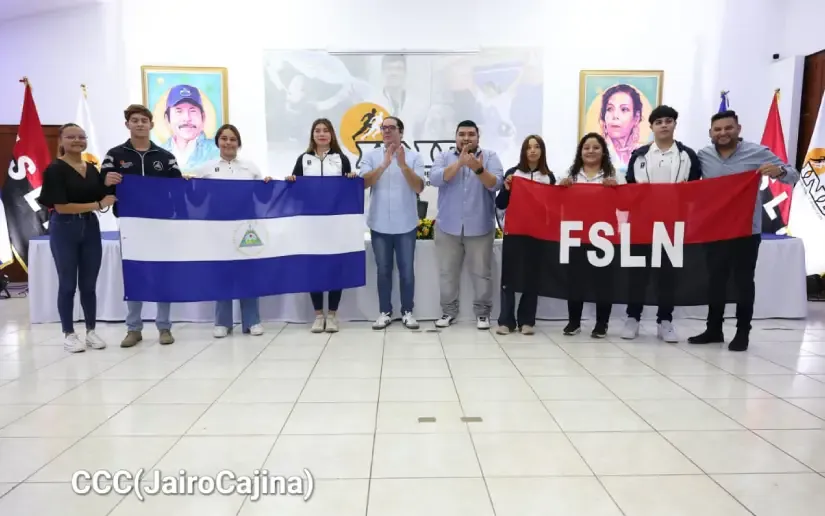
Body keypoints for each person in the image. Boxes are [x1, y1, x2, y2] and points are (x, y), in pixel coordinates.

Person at [689, 110, 799, 351]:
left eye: (728, 128)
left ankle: (742, 333)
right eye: (718, 129)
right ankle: (713, 329)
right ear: (710, 133)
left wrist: (779, 172)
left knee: (743, 282)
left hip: (746, 230)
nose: (723, 133)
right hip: (714, 229)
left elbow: (793, 176)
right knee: (715, 280)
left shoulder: (757, 152)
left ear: (738, 129)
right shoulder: (703, 156)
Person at [101, 104, 182, 348]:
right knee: (134, 274)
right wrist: (105, 181)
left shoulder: (166, 157)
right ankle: (133, 329)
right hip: (130, 226)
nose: (139, 124)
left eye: (143, 120)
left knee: (162, 275)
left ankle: (164, 327)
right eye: (134, 120)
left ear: (151, 125)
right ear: (127, 124)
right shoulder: (114, 155)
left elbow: (178, 190)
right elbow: (100, 188)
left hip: (160, 225)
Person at [622, 105, 702, 343]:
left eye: (668, 121)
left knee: (668, 275)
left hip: (673, 224)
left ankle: (664, 321)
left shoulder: (687, 155)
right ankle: (632, 318)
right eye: (659, 122)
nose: (664, 125)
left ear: (675, 124)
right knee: (637, 273)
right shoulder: (639, 155)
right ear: (652, 127)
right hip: (642, 224)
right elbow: (629, 189)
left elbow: (696, 190)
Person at [36, 124, 116, 353]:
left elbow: (102, 194)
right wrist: (98, 204)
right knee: (68, 284)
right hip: (65, 228)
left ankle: (91, 331)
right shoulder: (54, 169)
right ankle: (69, 334)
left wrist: (107, 184)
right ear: (61, 140)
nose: (77, 140)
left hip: (90, 227)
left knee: (89, 285)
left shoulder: (91, 168)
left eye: (81, 137)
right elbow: (61, 207)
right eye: (71, 137)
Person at [188, 124, 271, 338]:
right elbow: (196, 200)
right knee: (221, 274)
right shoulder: (205, 169)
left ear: (238, 143)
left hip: (246, 229)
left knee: (248, 274)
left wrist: (267, 185)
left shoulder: (250, 168)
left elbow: (262, 198)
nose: (228, 142)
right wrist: (186, 185)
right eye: (224, 138)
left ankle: (252, 321)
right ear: (217, 142)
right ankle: (222, 322)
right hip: (217, 230)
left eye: (232, 139)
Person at [430, 120, 504, 329]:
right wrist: (459, 164)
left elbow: (496, 184)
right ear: (456, 137)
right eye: (462, 134)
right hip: (448, 227)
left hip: (480, 227)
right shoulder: (444, 156)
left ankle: (483, 314)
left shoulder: (490, 156)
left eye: (471, 134)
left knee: (482, 273)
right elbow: (435, 179)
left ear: (478, 137)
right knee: (447, 273)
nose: (466, 138)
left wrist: (478, 169)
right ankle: (448, 312)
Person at [287, 118, 356, 332]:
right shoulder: (304, 159)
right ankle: (318, 315)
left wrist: (351, 178)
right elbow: (295, 192)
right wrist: (291, 181)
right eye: (317, 130)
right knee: (314, 268)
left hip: (335, 224)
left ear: (332, 134)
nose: (321, 134)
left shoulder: (341, 159)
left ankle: (332, 315)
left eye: (325, 130)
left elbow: (348, 192)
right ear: (312, 135)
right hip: (311, 223)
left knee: (335, 268)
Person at [359, 116, 425, 330]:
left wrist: (403, 165)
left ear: (401, 132)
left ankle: (407, 312)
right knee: (383, 270)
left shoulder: (414, 156)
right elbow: (363, 183)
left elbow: (419, 187)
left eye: (391, 128)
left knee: (406, 270)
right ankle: (384, 312)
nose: (386, 131)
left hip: (406, 223)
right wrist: (384, 164)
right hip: (379, 223)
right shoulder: (371, 156)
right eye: (383, 128)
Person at [559, 133, 624, 338]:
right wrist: (561, 188)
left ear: (603, 151)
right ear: (580, 152)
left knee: (603, 281)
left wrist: (617, 190)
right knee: (574, 280)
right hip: (576, 235)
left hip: (603, 236)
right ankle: (574, 322)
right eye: (586, 147)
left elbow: (626, 204)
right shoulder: (570, 175)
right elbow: (556, 201)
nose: (591, 151)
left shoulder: (614, 175)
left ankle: (601, 324)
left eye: (596, 147)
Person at [495, 135, 555, 335]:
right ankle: (506, 320)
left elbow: (553, 207)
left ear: (542, 150)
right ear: (523, 151)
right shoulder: (513, 173)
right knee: (509, 277)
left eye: (537, 147)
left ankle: (527, 320)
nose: (533, 150)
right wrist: (507, 189)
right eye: (529, 147)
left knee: (533, 277)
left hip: (537, 234)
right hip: (514, 232)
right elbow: (500, 204)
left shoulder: (549, 177)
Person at [160, 85, 219, 171]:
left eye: (193, 111)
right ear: (167, 118)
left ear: (203, 117)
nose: (187, 118)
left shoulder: (216, 151)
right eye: (179, 111)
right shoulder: (159, 153)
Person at [599, 84, 644, 173]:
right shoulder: (597, 152)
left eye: (624, 109)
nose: (615, 116)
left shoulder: (643, 153)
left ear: (636, 118)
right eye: (610, 109)